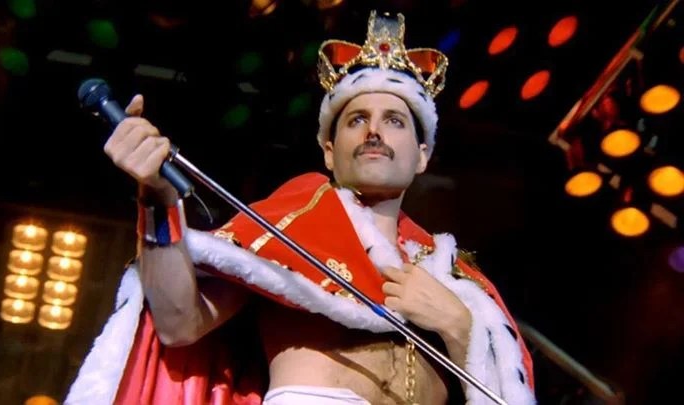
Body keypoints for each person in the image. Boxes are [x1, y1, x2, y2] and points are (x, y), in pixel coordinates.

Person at [65, 10, 536, 405]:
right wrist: (156, 196)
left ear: (422, 155)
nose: (374, 131)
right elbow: (177, 323)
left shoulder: (454, 278)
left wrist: (459, 326)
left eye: (394, 120)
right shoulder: (287, 226)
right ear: (329, 151)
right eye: (356, 119)